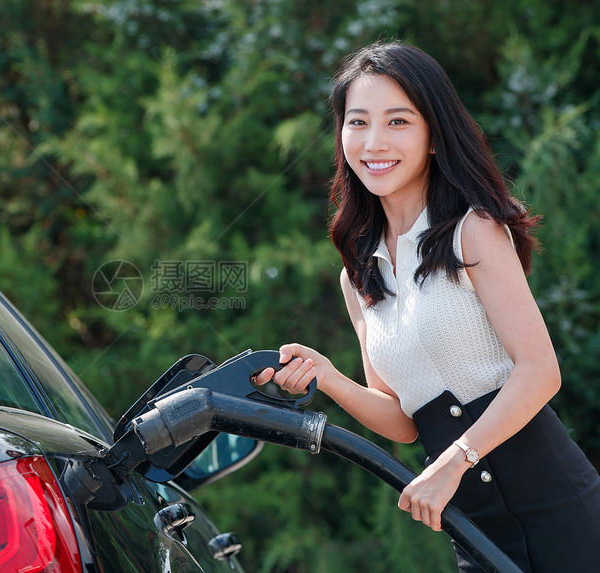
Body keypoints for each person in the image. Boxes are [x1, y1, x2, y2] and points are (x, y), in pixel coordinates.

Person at [254, 41, 600, 572]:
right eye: (357, 122)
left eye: (398, 122)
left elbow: (540, 372)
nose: (374, 142)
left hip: (558, 507)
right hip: (475, 528)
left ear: (434, 135)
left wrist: (454, 462)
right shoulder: (359, 275)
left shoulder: (474, 230)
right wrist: (329, 377)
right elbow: (404, 419)